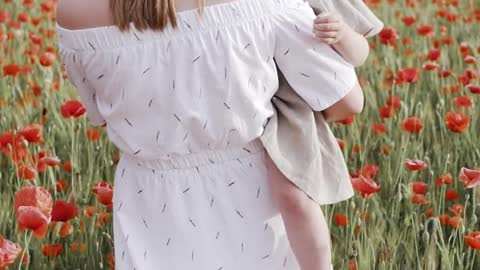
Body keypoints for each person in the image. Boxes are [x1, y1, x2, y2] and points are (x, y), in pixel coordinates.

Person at [55, 0, 364, 269]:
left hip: (148, 203)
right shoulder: (267, 4)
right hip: (251, 194)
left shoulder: (72, 11)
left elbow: (99, 113)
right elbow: (347, 101)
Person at [261, 1, 384, 269]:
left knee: (294, 196)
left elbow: (361, 51)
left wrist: (343, 35)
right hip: (242, 99)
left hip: (292, 107)